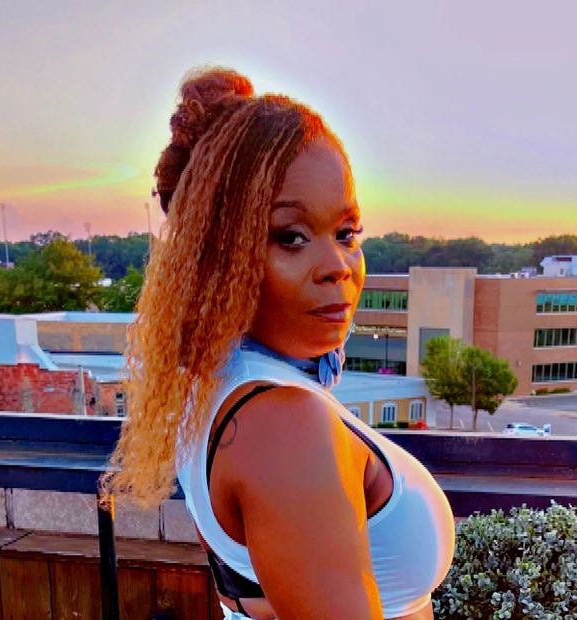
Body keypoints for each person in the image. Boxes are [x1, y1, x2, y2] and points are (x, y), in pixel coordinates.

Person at [105, 68, 455, 620]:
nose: (337, 266)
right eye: (291, 236)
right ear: (220, 257)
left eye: (346, 233)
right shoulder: (282, 423)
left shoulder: (221, 387)